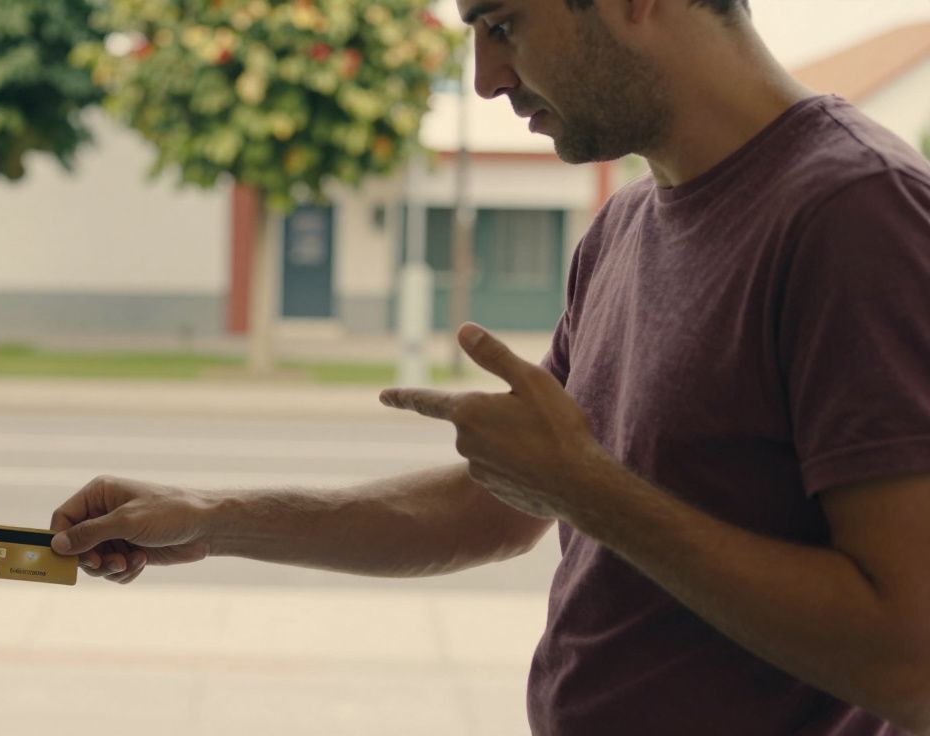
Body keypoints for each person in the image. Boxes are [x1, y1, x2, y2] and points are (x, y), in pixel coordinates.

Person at [48, 0, 930, 733]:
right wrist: (213, 519)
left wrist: (585, 491)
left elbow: (907, 660)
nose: (485, 78)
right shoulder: (624, 230)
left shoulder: (856, 214)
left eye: (503, 24)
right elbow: (501, 508)